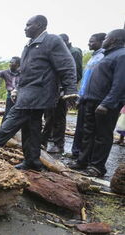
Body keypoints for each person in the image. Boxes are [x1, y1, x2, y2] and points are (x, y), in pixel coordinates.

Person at [0, 15, 77, 171]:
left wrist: (71, 89)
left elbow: (67, 65)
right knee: (31, 127)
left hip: (39, 92)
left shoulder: (52, 41)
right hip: (28, 91)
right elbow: (25, 72)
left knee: (14, 117)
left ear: (40, 25)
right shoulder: (28, 46)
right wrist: (17, 89)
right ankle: (32, 161)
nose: (25, 28)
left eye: (29, 25)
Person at [69, 29, 125, 177]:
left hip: (104, 104)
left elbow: (120, 84)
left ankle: (97, 167)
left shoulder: (122, 55)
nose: (104, 40)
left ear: (113, 40)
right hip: (91, 101)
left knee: (102, 136)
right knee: (88, 133)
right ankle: (83, 161)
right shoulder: (107, 55)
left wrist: (107, 103)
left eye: (106, 38)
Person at [41, 33, 84, 153]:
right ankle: (43, 141)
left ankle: (59, 145)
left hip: (62, 90)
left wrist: (67, 89)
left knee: (59, 117)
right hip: (51, 89)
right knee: (49, 116)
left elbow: (75, 73)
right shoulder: (57, 52)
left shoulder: (74, 52)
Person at [70, 33, 106, 158]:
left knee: (90, 130)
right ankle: (77, 153)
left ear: (102, 41)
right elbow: (86, 80)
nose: (89, 44)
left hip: (94, 98)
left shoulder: (103, 57)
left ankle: (86, 157)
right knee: (81, 128)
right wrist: (79, 95)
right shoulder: (93, 57)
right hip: (84, 96)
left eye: (92, 41)